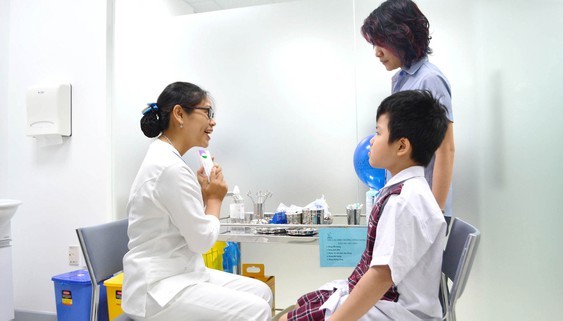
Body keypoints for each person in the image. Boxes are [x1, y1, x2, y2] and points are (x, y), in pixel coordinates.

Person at [280, 90, 448, 321]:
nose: (371, 140)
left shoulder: (403, 201)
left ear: (401, 147)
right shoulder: (407, 191)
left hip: (392, 311)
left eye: (378, 132)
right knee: (290, 312)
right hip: (385, 303)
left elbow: (381, 276)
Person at [122, 81, 273, 321]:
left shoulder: (166, 159)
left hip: (180, 275)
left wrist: (200, 196)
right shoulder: (169, 168)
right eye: (208, 113)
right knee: (257, 309)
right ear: (179, 114)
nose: (213, 122)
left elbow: (182, 222)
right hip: (158, 289)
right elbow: (202, 241)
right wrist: (214, 200)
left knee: (262, 292)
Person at [361, 0, 455, 218]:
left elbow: (446, 149)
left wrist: (435, 215)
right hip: (407, 204)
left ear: (401, 37)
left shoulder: (429, 80)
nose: (377, 53)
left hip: (424, 211)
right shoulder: (403, 80)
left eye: (381, 43)